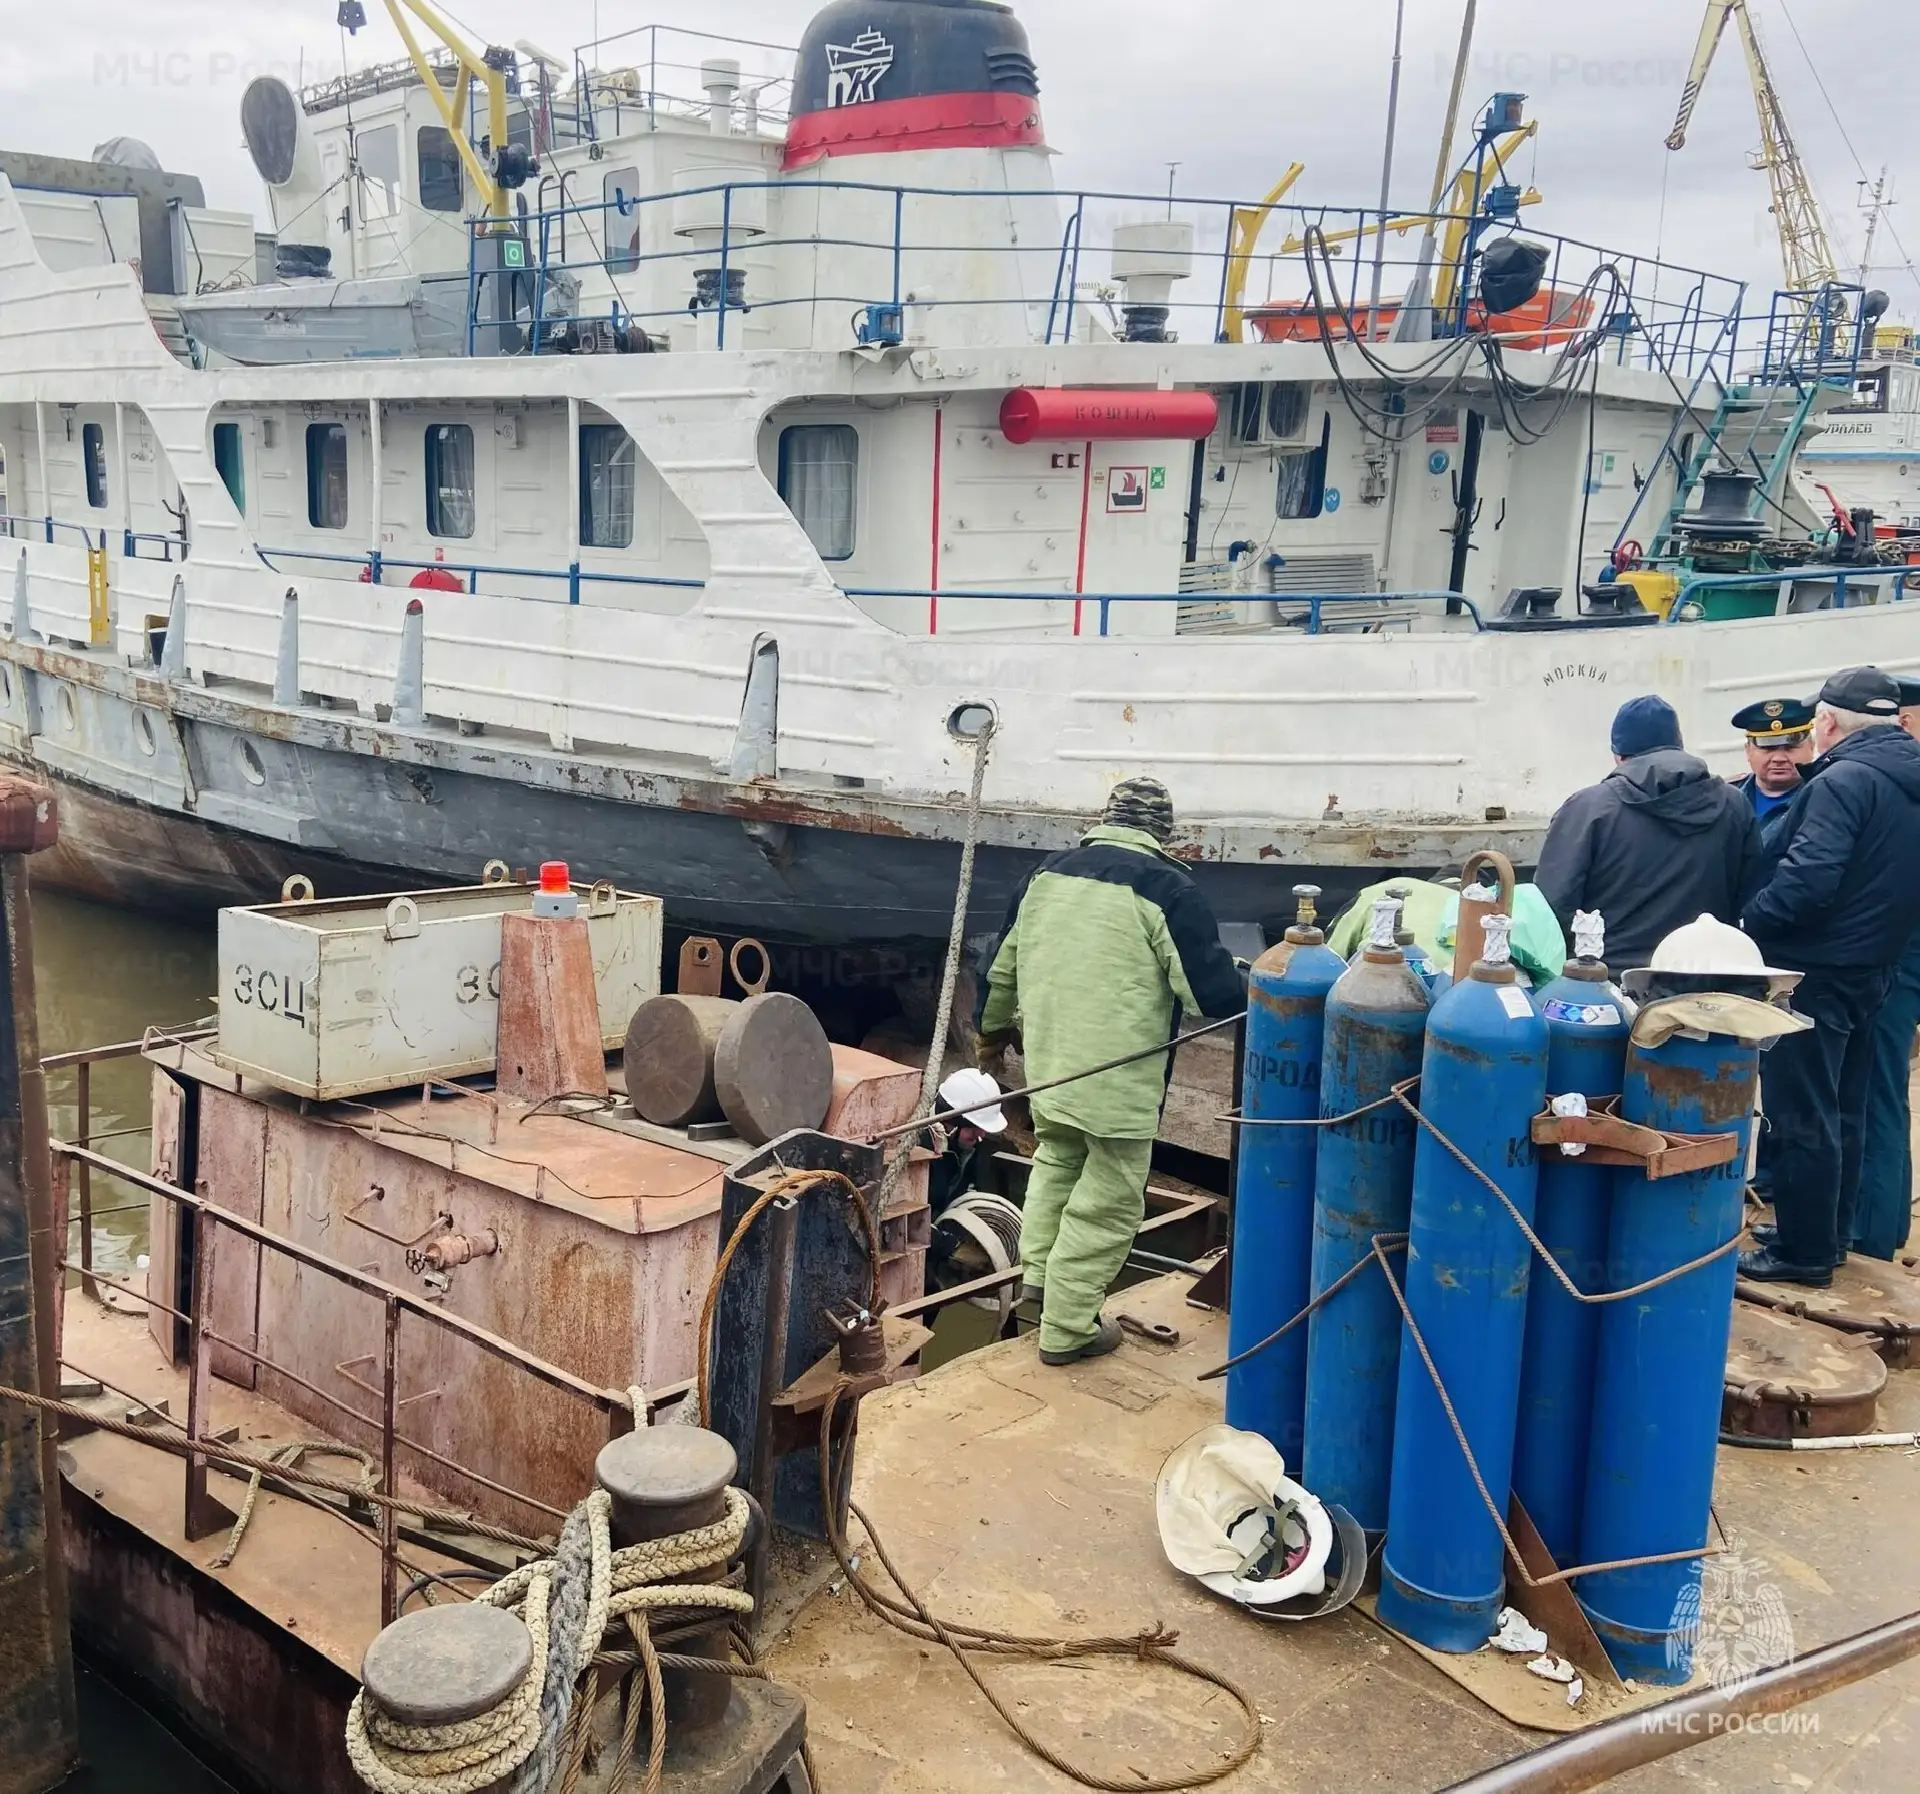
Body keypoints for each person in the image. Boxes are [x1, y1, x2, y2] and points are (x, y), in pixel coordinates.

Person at [978, 776, 1245, 1366]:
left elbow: (999, 970)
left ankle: (1040, 1288)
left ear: (1105, 819)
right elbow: (1214, 999)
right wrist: (1259, 979)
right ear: (1162, 832)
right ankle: (1068, 1330)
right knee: (1110, 1199)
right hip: (1117, 1084)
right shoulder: (1169, 890)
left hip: (1051, 1068)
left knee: (1056, 1161)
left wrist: (989, 1038)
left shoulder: (1044, 875)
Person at [1741, 667, 1920, 1284]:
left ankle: (1804, 1253)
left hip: (1815, 970)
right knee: (1846, 1108)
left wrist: (1747, 923)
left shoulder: (1843, 781)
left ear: (1825, 723)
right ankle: (1825, 1230)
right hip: (1875, 969)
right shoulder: (1907, 777)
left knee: (1803, 1112)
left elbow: (1810, 879)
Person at [1533, 694, 1763, 974]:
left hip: (1612, 984)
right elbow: (1750, 898)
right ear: (1678, 743)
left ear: (1619, 754)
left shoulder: (1587, 810)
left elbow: (1550, 909)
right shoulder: (1734, 804)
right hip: (1707, 979)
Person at [1851, 674, 1920, 1261]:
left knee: (1878, 1090)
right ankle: (1886, 1220)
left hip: (1896, 955)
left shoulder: (1888, 779)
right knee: (1886, 1090)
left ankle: (1873, 1233)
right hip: (1902, 949)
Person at [926, 1068, 1008, 1216]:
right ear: (950, 1123)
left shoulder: (972, 1150)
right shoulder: (919, 1147)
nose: (981, 1134)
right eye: (974, 1127)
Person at [1729, 698, 1817, 826]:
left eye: (1790, 748)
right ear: (1748, 751)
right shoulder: (1725, 797)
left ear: (1811, 746)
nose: (1779, 758)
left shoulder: (1825, 796)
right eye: (1768, 748)